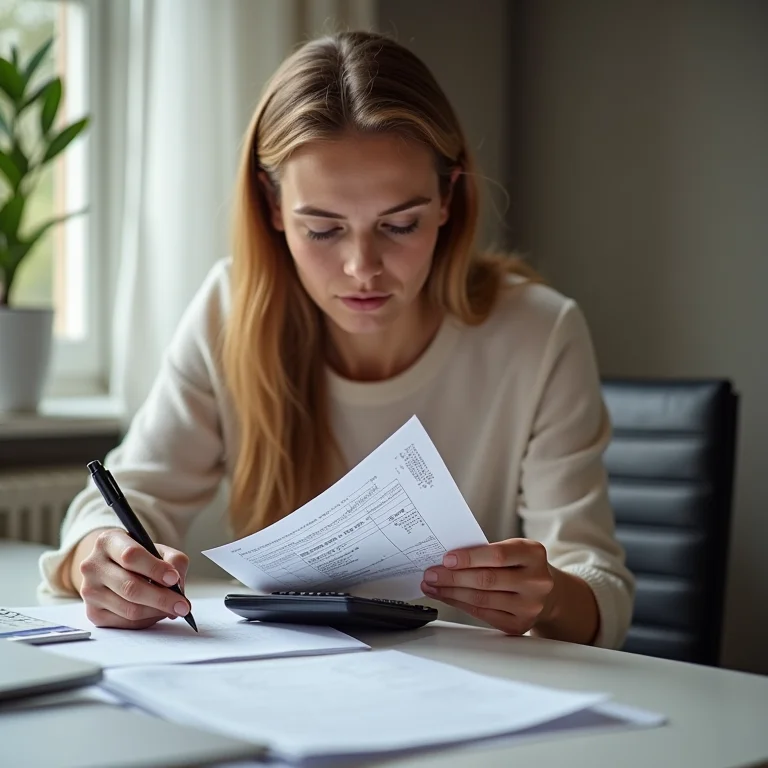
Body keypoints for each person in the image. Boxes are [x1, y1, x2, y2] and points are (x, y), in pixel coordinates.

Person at [39, 30, 634, 648]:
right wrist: (103, 556)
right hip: (290, 678)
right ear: (272, 206)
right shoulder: (230, 309)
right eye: (323, 230)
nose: (362, 268)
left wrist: (550, 596)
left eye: (399, 224)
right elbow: (126, 497)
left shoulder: (537, 333)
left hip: (471, 678)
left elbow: (601, 588)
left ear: (448, 199)